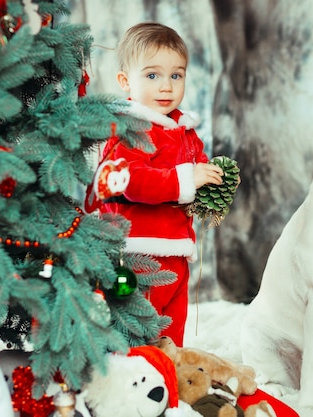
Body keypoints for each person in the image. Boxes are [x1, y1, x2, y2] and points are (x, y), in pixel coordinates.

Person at [98, 22, 224, 347]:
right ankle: (137, 382)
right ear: (126, 81)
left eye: (176, 75)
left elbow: (198, 170)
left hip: (177, 250)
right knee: (139, 328)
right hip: (137, 254)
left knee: (171, 330)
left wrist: (212, 181)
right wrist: (187, 179)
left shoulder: (184, 130)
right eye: (152, 76)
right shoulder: (127, 129)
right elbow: (134, 182)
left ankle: (170, 377)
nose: (166, 86)